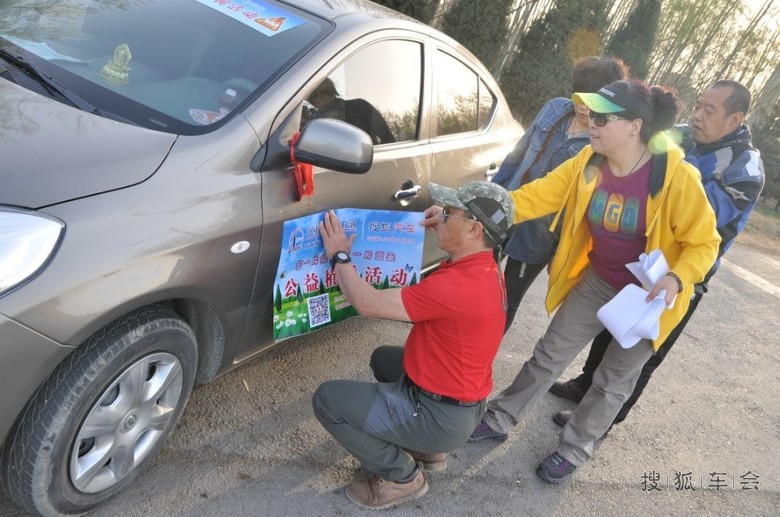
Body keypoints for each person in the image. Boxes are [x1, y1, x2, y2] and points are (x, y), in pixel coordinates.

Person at [456, 79, 721, 483]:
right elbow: (535, 196)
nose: (591, 123)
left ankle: (575, 448)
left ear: (635, 126)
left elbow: (705, 243)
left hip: (650, 296)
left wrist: (676, 276)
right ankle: (500, 417)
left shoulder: (676, 176)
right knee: (549, 354)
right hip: (599, 279)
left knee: (613, 380)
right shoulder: (587, 163)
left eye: (602, 117)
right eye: (591, 114)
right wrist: (476, 209)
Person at [548, 80, 765, 428]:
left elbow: (700, 216)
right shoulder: (676, 135)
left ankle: (605, 418)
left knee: (643, 347)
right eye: (697, 106)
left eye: (709, 110)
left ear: (734, 118)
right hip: (637, 257)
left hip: (680, 273)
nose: (697, 115)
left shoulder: (744, 166)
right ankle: (584, 385)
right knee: (610, 324)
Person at [312, 181, 514, 509]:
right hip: (462, 402)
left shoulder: (456, 287)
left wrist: (340, 254)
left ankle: (401, 477)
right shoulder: (485, 267)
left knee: (328, 401)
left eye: (449, 214)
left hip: (439, 414)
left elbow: (367, 303)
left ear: (474, 229)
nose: (440, 216)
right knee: (384, 360)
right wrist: (447, 225)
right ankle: (428, 450)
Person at [492, 56, 628, 333]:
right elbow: (517, 155)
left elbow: (586, 204)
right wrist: (492, 193)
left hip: (539, 235)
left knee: (506, 299)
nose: (582, 105)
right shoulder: (554, 109)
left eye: (592, 100)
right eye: (578, 94)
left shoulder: (603, 142)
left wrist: (561, 250)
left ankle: (478, 358)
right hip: (504, 209)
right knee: (474, 284)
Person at [307, 77, 395, 145]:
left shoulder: (359, 108)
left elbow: (389, 141)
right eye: (311, 98)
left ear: (330, 92)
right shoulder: (312, 123)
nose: (314, 101)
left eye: (317, 95)